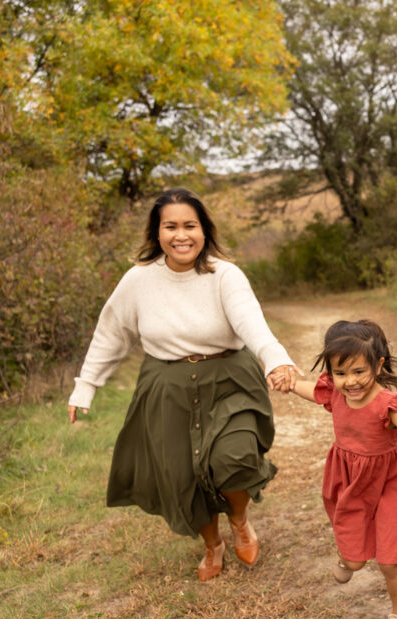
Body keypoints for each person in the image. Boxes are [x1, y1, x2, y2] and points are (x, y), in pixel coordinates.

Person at [67, 187, 300, 582]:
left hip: (229, 378)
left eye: (189, 225)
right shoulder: (139, 280)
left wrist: (274, 356)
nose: (181, 235)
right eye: (170, 226)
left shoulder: (225, 274)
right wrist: (85, 385)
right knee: (182, 474)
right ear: (157, 233)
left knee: (234, 457)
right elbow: (112, 333)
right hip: (167, 385)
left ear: (204, 230)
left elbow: (249, 321)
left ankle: (240, 520)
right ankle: (213, 545)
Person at [283, 319, 397, 619]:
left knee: (389, 559)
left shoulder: (387, 402)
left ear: (378, 364)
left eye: (359, 372)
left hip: (390, 482)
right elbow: (307, 389)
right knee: (356, 559)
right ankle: (348, 560)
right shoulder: (333, 394)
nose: (350, 382)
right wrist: (284, 382)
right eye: (340, 374)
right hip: (350, 481)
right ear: (330, 371)